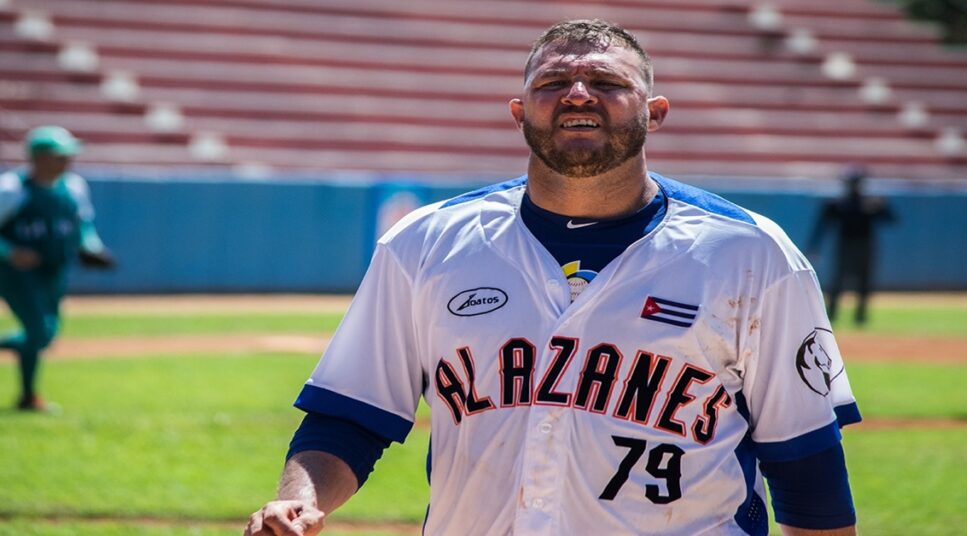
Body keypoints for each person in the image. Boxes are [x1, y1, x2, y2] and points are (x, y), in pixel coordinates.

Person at [245, 20, 860, 536]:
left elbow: (806, 464)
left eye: (607, 82)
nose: (577, 94)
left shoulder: (751, 253)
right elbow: (351, 417)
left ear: (655, 112)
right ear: (520, 112)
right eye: (553, 83)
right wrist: (302, 500)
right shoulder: (426, 243)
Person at [0, 126, 115, 411]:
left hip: (55, 268)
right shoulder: (12, 189)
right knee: (38, 331)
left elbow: (83, 225)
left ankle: (27, 397)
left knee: (46, 334)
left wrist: (91, 246)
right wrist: (10, 252)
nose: (67, 161)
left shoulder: (73, 186)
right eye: (59, 155)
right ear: (38, 157)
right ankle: (28, 395)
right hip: (16, 272)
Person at [809, 165, 895, 326]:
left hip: (865, 245)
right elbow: (822, 226)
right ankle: (832, 314)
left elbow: (891, 219)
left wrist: (881, 206)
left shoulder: (870, 203)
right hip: (846, 245)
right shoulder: (838, 204)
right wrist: (814, 247)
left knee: (864, 281)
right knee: (839, 281)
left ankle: (860, 316)